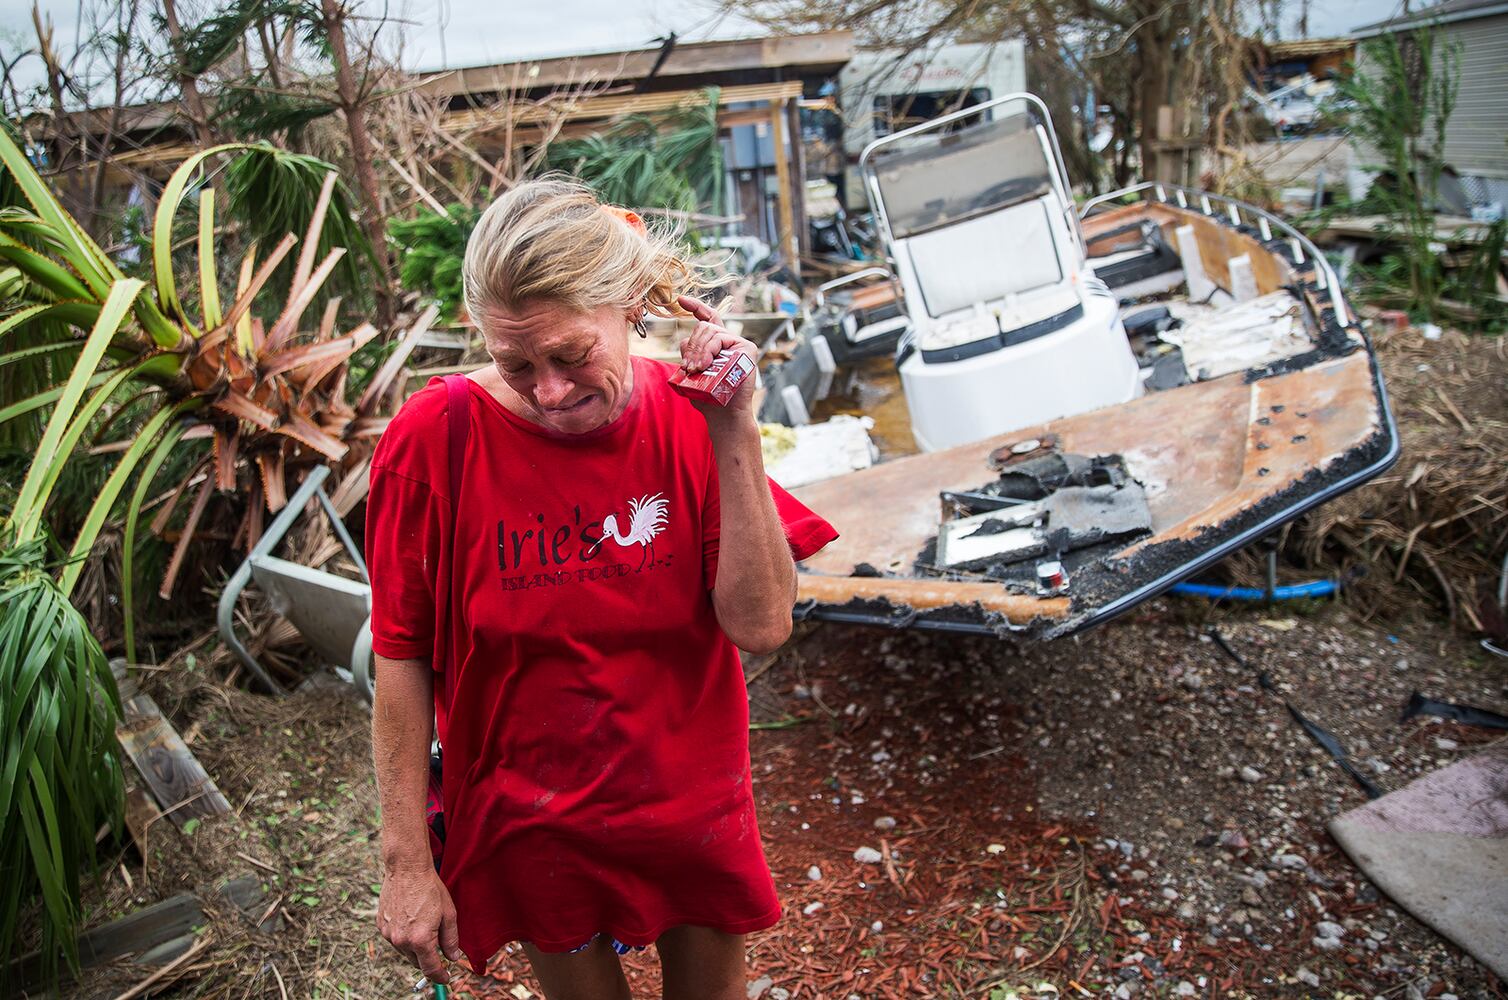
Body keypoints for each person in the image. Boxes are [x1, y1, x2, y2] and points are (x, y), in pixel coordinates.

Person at [366, 178, 837, 1000]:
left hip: (689, 796)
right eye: (517, 365)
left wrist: (734, 421)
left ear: (629, 307)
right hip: (530, 809)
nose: (549, 392)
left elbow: (760, 623)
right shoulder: (434, 441)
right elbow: (402, 654)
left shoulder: (694, 415)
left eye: (571, 356)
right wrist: (406, 861)